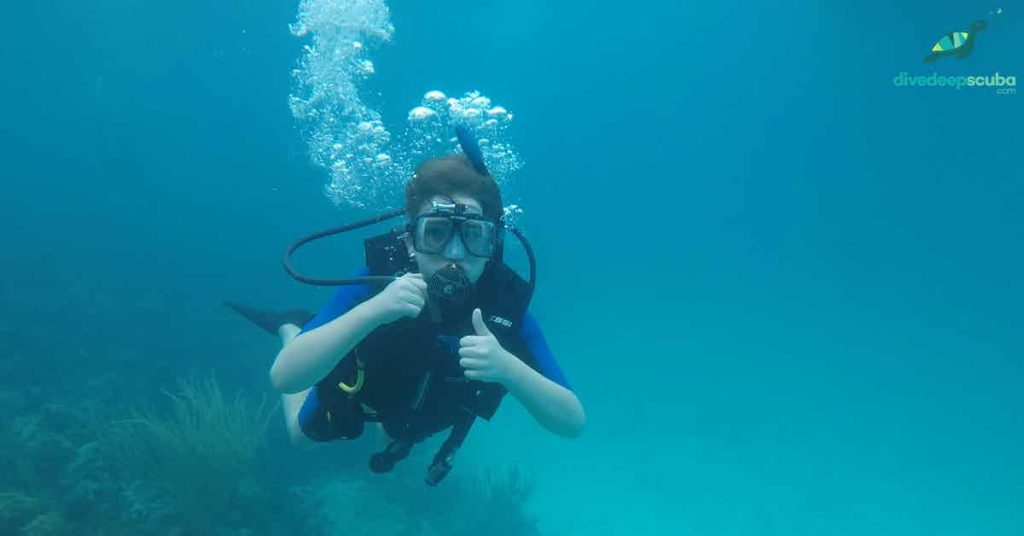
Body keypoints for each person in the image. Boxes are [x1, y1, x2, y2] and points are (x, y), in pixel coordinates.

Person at [231, 152, 584, 483]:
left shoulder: (505, 307)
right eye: (436, 233)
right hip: (370, 384)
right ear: (410, 241)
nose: (455, 254)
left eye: (474, 236)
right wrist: (373, 311)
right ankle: (293, 328)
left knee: (396, 432)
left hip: (421, 405)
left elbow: (571, 421)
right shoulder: (378, 281)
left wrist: (508, 367)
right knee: (301, 437)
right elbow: (284, 378)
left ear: (492, 246)